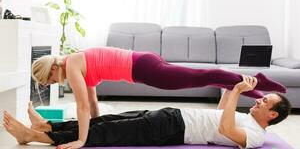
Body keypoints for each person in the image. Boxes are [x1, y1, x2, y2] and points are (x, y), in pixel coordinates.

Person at [31, 47, 287, 148]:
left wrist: (83, 140)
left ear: (54, 69)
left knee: (202, 77)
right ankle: (255, 84)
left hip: (144, 69)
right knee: (205, 78)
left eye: (51, 79)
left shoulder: (72, 64)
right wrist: (96, 131)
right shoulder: (79, 62)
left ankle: (256, 82)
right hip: (144, 63)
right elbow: (92, 104)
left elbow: (82, 105)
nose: (56, 82)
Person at [3, 75, 291, 149]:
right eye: (261, 98)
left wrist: (238, 95)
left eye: (265, 102)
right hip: (173, 115)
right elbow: (219, 117)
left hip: (175, 129)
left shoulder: (255, 136)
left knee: (108, 133)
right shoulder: (248, 118)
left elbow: (226, 130)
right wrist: (230, 89)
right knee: (105, 119)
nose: (259, 101)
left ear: (273, 115)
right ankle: (49, 127)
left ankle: (34, 137)